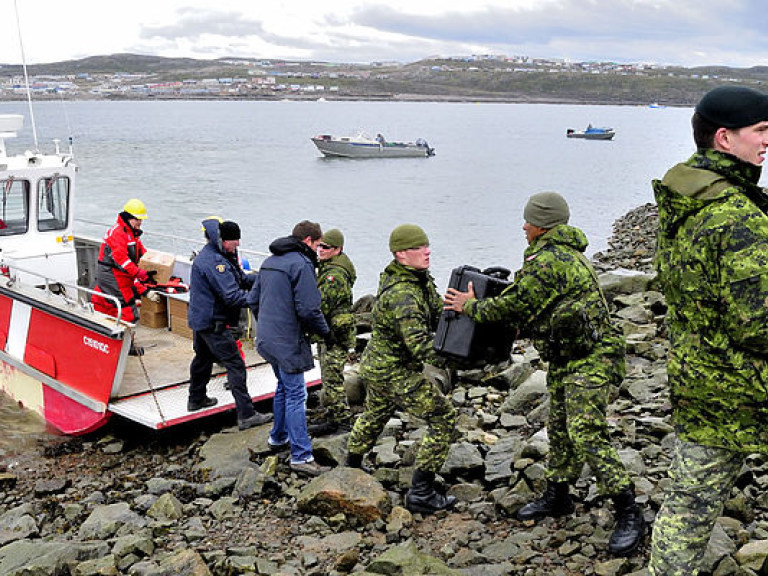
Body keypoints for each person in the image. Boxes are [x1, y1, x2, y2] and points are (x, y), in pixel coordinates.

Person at [444, 192, 644, 556]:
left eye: (528, 221)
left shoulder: (550, 261)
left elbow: (514, 306)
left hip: (592, 358)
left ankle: (629, 510)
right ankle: (559, 496)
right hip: (572, 354)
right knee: (561, 427)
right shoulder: (561, 253)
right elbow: (536, 305)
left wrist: (468, 305)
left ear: (542, 225)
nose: (523, 226)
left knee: (585, 432)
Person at [647, 85, 768, 575]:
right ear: (724, 138)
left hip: (698, 374)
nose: (767, 142)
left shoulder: (684, 200)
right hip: (749, 383)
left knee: (689, 504)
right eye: (761, 131)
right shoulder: (736, 215)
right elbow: (759, 324)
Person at [346, 224, 457, 514]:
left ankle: (350, 468)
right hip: (393, 371)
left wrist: (471, 307)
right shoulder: (403, 294)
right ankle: (421, 492)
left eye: (427, 245)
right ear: (401, 255)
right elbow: (420, 346)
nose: (427, 251)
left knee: (374, 415)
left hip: (378, 366)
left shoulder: (415, 279)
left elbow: (436, 314)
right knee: (443, 416)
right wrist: (462, 360)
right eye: (419, 248)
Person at [248, 220, 334, 477]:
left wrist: (266, 326)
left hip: (266, 339)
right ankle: (301, 455)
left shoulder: (269, 261)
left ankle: (278, 438)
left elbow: (253, 300)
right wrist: (326, 332)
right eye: (318, 245)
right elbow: (309, 308)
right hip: (287, 342)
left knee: (284, 387)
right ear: (309, 241)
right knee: (297, 395)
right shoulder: (301, 264)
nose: (319, 251)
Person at [187, 218, 272, 430]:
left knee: (203, 359)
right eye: (234, 240)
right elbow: (232, 296)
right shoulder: (214, 263)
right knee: (235, 364)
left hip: (201, 319)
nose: (238, 244)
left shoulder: (222, 255)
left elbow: (241, 279)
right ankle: (246, 414)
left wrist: (264, 278)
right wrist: (261, 297)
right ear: (221, 240)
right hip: (213, 322)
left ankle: (196, 399)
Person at [308, 228, 357, 437]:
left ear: (338, 249)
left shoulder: (334, 275)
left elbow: (322, 305)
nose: (321, 250)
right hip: (331, 331)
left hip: (334, 334)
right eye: (319, 246)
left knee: (333, 380)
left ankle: (343, 422)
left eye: (326, 247)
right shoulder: (331, 267)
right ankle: (332, 416)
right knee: (328, 377)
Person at [91, 198, 151, 355]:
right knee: (127, 308)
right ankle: (126, 347)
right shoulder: (119, 233)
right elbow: (122, 260)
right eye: (138, 219)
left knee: (114, 307)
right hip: (112, 275)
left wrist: (151, 262)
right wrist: (140, 273)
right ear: (129, 217)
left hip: (120, 275)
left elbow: (140, 251)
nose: (140, 223)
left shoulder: (131, 233)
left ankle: (116, 341)